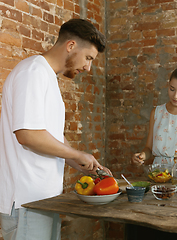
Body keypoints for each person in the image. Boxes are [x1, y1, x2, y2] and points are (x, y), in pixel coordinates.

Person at [0, 18, 111, 240]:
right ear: (71, 46)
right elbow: (27, 135)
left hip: (44, 200)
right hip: (25, 202)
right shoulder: (33, 72)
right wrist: (78, 154)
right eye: (88, 58)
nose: (88, 67)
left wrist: (80, 164)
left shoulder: (47, 77)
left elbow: (52, 136)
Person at [129, 62, 177, 240]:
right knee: (156, 229)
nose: (175, 95)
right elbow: (149, 148)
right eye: (172, 89)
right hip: (158, 178)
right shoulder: (156, 112)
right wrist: (143, 155)